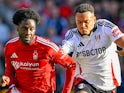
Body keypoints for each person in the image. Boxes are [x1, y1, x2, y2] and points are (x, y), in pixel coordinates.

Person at [0, 8, 76, 93]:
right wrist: (6, 79)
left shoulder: (48, 47)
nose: (28, 32)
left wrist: (66, 91)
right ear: (17, 28)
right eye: (24, 28)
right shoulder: (10, 46)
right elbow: (9, 73)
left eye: (31, 29)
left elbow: (71, 64)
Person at [61, 3, 124, 93]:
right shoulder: (72, 35)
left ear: (94, 19)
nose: (83, 26)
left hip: (109, 84)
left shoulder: (105, 27)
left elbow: (121, 41)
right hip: (85, 80)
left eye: (86, 22)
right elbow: (63, 51)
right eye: (79, 22)